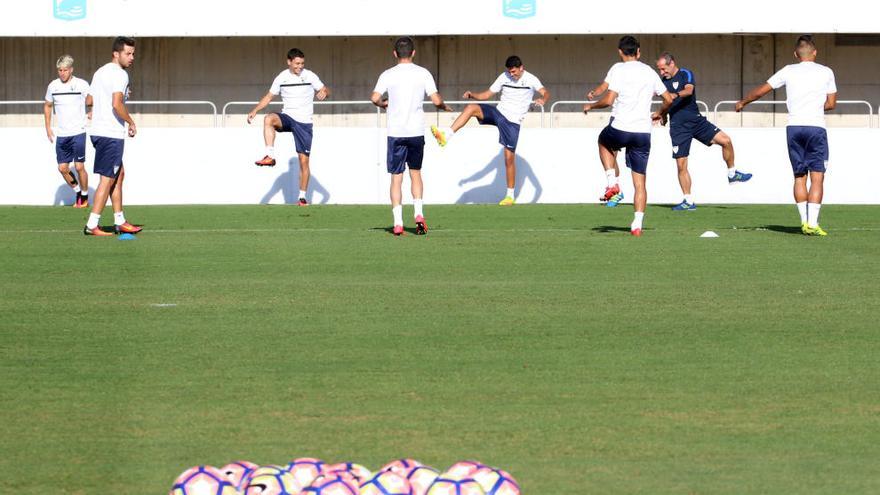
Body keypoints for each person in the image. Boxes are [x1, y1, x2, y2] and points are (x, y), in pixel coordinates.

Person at [736, 35, 837, 236]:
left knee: (799, 176)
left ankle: (803, 222)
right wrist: (815, 107)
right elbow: (831, 104)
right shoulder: (826, 72)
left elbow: (761, 91)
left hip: (793, 127)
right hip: (815, 127)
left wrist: (743, 102)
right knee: (817, 177)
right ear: (815, 52)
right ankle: (813, 223)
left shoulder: (788, 70)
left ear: (795, 54)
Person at [583, 35, 674, 236]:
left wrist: (592, 105)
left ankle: (612, 183)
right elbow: (668, 99)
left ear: (620, 52)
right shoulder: (650, 72)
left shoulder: (619, 69)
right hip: (643, 133)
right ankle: (637, 224)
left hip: (621, 127)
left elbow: (608, 100)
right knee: (640, 182)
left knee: (603, 141)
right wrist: (661, 113)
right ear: (639, 52)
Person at [430, 56, 548, 206]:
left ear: (521, 68)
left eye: (514, 72)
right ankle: (446, 135)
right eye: (510, 72)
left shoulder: (532, 79)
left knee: (508, 159)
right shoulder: (504, 77)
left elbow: (546, 92)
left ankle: (510, 196)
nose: (512, 75)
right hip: (499, 114)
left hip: (512, 123)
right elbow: (486, 95)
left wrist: (543, 100)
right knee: (472, 107)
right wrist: (473, 95)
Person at [371, 36, 452, 236]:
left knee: (396, 178)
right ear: (414, 53)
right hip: (416, 132)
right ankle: (418, 214)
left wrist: (383, 104)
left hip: (396, 133)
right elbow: (435, 99)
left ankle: (398, 223)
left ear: (395, 54)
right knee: (415, 173)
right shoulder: (423, 73)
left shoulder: (388, 74)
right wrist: (443, 106)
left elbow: (374, 97)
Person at [655, 52, 752, 211]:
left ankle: (732, 173)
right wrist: (662, 115)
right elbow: (666, 102)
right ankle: (688, 200)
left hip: (696, 121)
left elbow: (688, 91)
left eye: (663, 69)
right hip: (678, 127)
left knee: (726, 141)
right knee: (681, 165)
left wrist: (673, 95)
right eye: (659, 70)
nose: (662, 72)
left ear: (672, 63)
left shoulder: (685, 74)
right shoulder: (661, 82)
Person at [248, 48, 330, 206]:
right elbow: (269, 96)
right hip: (287, 117)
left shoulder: (310, 75)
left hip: (304, 122)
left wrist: (325, 92)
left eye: (302, 63)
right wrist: (255, 110)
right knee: (269, 119)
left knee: (304, 161)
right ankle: (269, 156)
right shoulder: (282, 77)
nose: (300, 66)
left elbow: (325, 90)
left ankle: (302, 198)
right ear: (289, 62)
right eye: (297, 63)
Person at [83, 36, 141, 236]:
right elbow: (117, 105)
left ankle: (120, 221)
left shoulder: (100, 71)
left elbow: (89, 100)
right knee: (107, 179)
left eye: (133, 53)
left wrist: (118, 95)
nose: (132, 57)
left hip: (99, 132)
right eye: (128, 53)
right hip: (110, 134)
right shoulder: (120, 75)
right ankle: (92, 225)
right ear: (116, 54)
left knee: (119, 174)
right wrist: (131, 122)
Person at [44, 54, 91, 208]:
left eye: (65, 70)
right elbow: (48, 106)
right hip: (62, 134)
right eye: (60, 70)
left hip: (78, 131)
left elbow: (92, 100)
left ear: (71, 70)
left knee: (79, 167)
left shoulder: (81, 84)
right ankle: (78, 191)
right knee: (62, 168)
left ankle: (84, 196)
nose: (62, 73)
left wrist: (92, 110)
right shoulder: (53, 86)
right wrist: (48, 127)